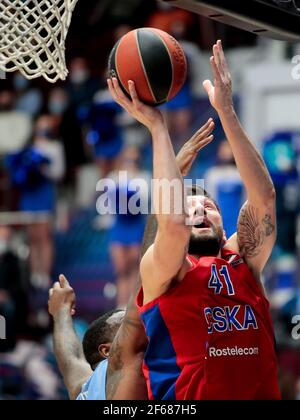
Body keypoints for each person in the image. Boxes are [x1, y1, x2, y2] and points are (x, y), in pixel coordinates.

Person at [108, 40, 281, 400]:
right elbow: (170, 224)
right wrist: (158, 128)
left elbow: (263, 198)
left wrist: (226, 111)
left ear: (225, 222)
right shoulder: (166, 271)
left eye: (209, 205)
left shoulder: (243, 263)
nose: (199, 209)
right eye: (190, 207)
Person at [48, 120, 214, 400]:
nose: (137, 315)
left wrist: (61, 313)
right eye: (126, 320)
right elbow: (145, 284)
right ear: (108, 350)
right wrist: (172, 184)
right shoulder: (121, 362)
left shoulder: (86, 389)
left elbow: (70, 359)